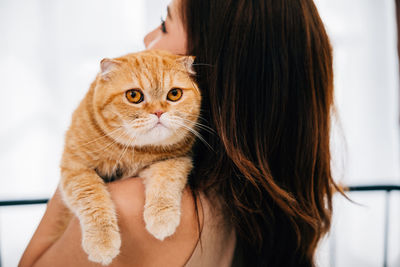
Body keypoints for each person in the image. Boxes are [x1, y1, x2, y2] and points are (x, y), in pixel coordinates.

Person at [19, 0, 341, 266]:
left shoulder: (128, 210)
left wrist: (87, 139)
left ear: (209, 61)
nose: (147, 39)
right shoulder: (257, 204)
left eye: (164, 24)